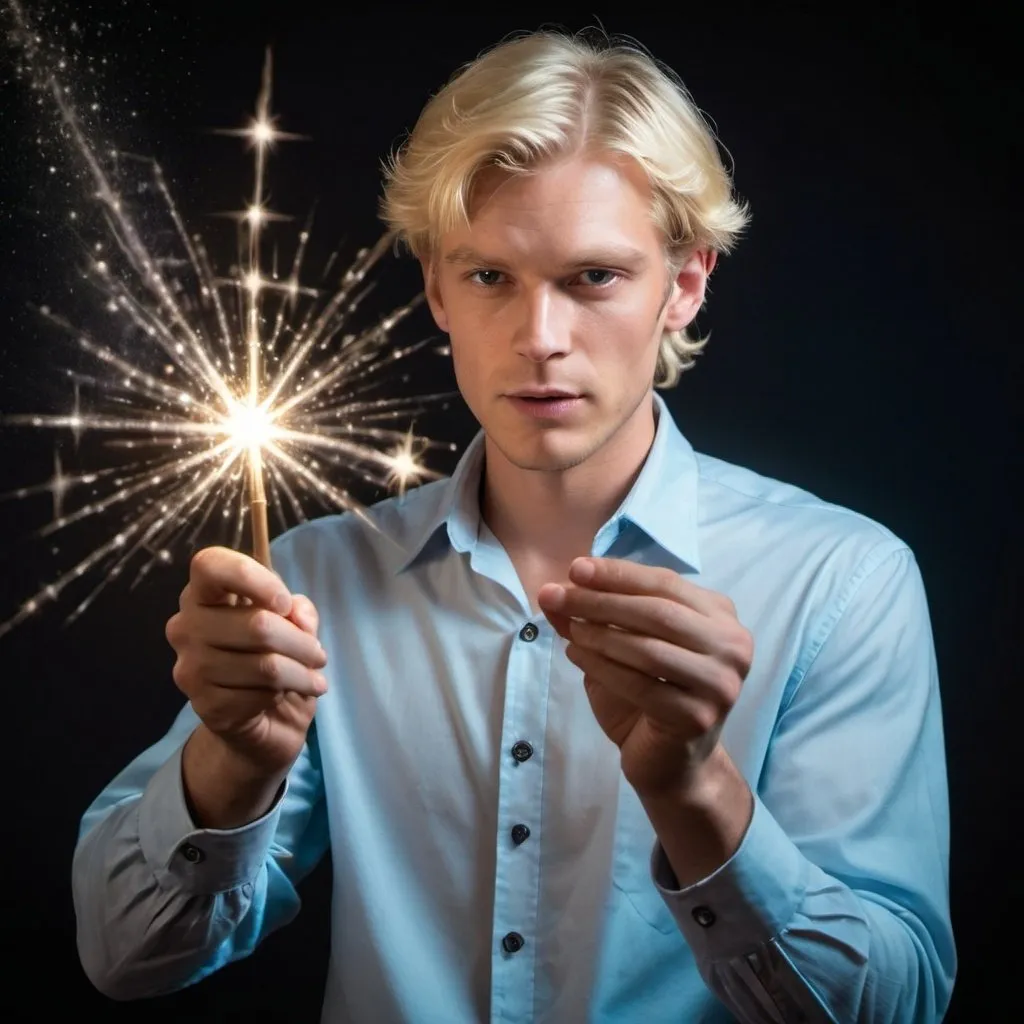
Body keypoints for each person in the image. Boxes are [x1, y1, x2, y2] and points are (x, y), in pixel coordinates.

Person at [71, 28, 956, 1024]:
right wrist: (230, 768)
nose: (539, 338)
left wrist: (697, 791)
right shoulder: (315, 578)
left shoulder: (840, 581)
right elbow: (121, 955)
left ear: (688, 282)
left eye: (593, 277)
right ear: (436, 287)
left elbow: (898, 1003)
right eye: (491, 276)